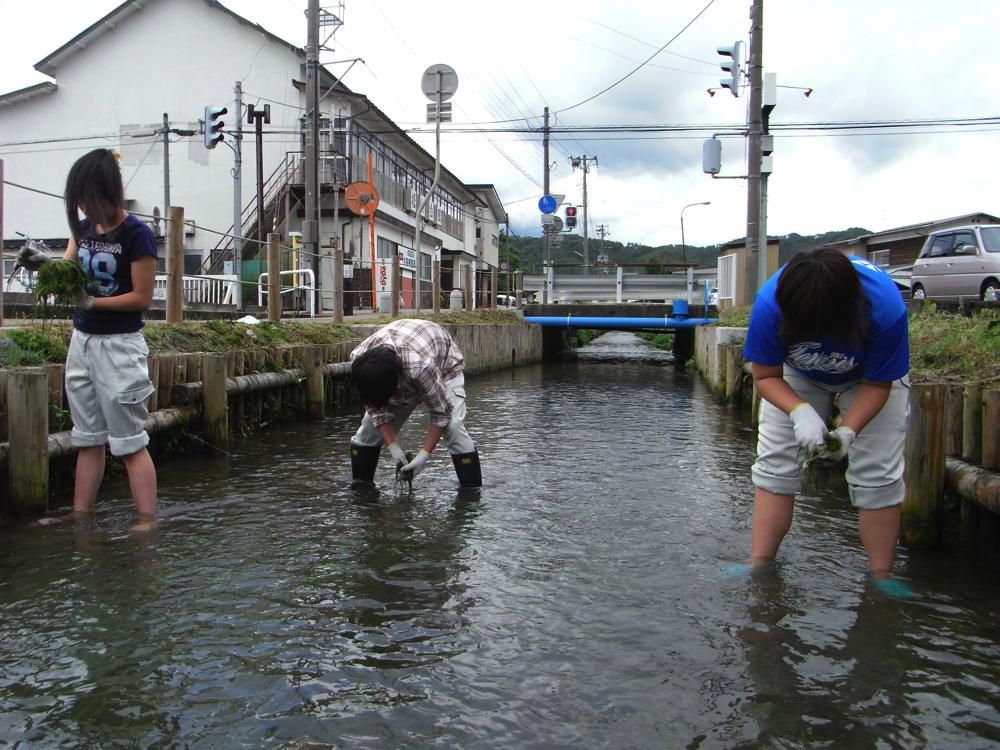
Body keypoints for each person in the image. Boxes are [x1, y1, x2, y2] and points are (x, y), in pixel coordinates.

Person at [742, 247, 911, 593]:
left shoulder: (886, 308)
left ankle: (881, 577)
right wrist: (798, 410)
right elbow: (765, 376)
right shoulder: (770, 304)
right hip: (796, 375)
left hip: (867, 377)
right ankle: (760, 566)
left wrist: (848, 431)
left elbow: (879, 384)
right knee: (775, 465)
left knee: (877, 473)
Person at [19, 149, 158, 531]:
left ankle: (147, 520)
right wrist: (43, 261)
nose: (80, 204)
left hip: (120, 345)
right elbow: (68, 267)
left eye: (85, 196)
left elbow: (143, 297)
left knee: (129, 439)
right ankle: (81, 516)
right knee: (88, 437)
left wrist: (93, 300)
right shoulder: (83, 229)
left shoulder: (137, 234)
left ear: (106, 191)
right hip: (82, 341)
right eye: (76, 198)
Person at [348, 318, 482, 487]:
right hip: (407, 353)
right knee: (368, 429)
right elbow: (376, 410)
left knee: (453, 426)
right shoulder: (359, 362)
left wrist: (424, 455)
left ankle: (471, 496)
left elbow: (441, 414)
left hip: (444, 366)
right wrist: (393, 447)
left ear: (396, 384)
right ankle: (362, 489)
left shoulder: (420, 367)